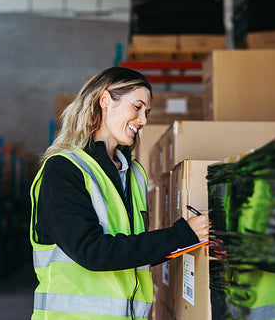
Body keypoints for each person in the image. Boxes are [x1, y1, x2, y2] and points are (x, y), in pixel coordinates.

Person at [29, 67, 210, 320]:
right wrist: (180, 234)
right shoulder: (64, 169)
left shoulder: (133, 174)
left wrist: (190, 238)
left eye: (146, 112)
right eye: (137, 107)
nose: (143, 120)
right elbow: (92, 251)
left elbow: (131, 250)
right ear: (105, 101)